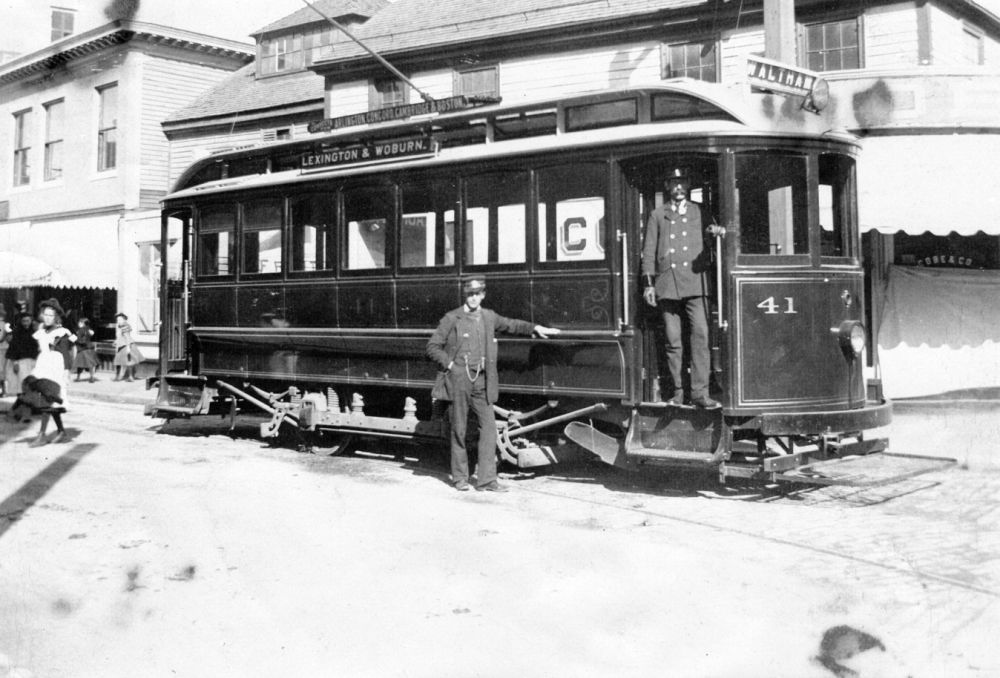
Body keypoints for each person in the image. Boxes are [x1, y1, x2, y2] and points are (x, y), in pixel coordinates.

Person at [427, 277, 561, 492]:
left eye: (477, 293)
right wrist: (451, 364)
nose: (473, 297)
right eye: (469, 294)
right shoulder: (452, 318)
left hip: (482, 381)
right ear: (465, 295)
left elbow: (512, 324)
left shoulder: (489, 317)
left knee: (489, 430)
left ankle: (487, 481)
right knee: (458, 430)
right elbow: (433, 347)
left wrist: (535, 327)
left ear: (483, 295)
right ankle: (460, 478)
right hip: (459, 381)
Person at [641, 168, 722, 409]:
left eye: (682, 182)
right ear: (667, 186)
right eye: (673, 182)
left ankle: (700, 393)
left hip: (696, 282)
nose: (678, 187)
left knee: (701, 336)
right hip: (668, 284)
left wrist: (716, 234)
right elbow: (648, 251)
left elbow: (715, 234)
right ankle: (677, 392)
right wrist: (649, 285)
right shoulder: (658, 215)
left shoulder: (700, 211)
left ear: (687, 185)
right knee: (673, 340)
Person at [28, 298, 73, 446]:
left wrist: (66, 374)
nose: (47, 317)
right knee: (49, 401)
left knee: (47, 400)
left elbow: (66, 355)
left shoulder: (61, 332)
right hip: (43, 365)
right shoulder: (42, 332)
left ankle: (41, 435)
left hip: (55, 367)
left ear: (56, 317)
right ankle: (61, 431)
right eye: (45, 314)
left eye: (50, 315)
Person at [5, 311, 38, 398]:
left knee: (31, 384)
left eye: (28, 321)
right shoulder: (17, 333)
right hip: (21, 362)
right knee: (21, 385)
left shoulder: (35, 332)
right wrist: (15, 362)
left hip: (32, 362)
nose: (26, 323)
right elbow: (14, 348)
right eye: (24, 321)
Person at [113, 312, 144, 381]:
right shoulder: (121, 326)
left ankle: (128, 376)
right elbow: (120, 336)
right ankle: (126, 376)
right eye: (117, 320)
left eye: (120, 319)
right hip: (122, 344)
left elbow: (127, 337)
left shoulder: (124, 325)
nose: (118, 321)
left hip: (126, 345)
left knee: (127, 361)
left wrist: (128, 347)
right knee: (125, 361)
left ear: (124, 319)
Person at [72, 318, 100, 382]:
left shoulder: (80, 330)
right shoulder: (88, 329)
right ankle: (92, 377)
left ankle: (78, 378)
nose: (78, 324)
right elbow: (91, 334)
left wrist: (74, 340)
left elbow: (80, 340)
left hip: (82, 349)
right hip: (89, 348)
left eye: (80, 322)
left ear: (83, 323)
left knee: (80, 364)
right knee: (91, 364)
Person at [0, 305, 9, 397]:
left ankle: (4, 391)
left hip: (1, 349)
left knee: (1, 370)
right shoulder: (3, 324)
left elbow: (1, 337)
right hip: (3, 348)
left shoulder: (1, 324)